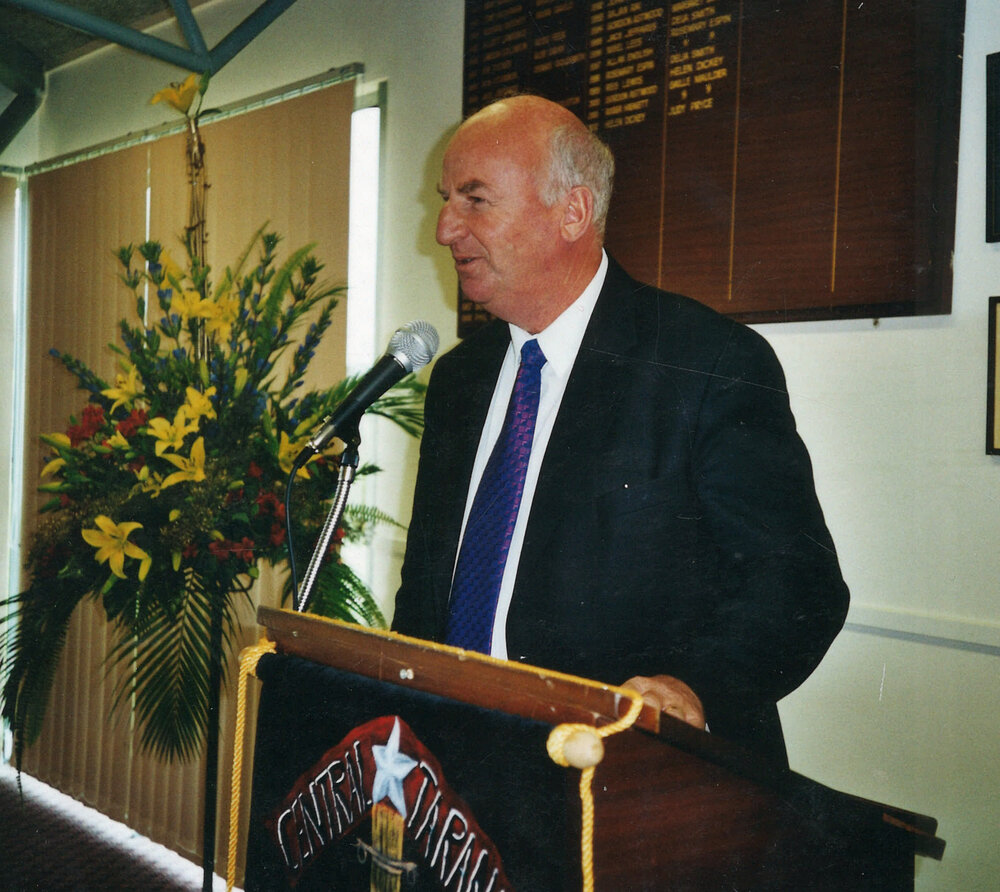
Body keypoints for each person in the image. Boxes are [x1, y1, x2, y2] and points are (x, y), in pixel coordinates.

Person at [392, 94, 849, 764]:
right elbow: (428, 588)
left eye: (474, 199)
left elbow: (798, 580)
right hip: (459, 773)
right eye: (445, 199)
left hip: (631, 779)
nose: (444, 229)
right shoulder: (460, 381)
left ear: (572, 212)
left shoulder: (707, 363)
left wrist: (694, 690)